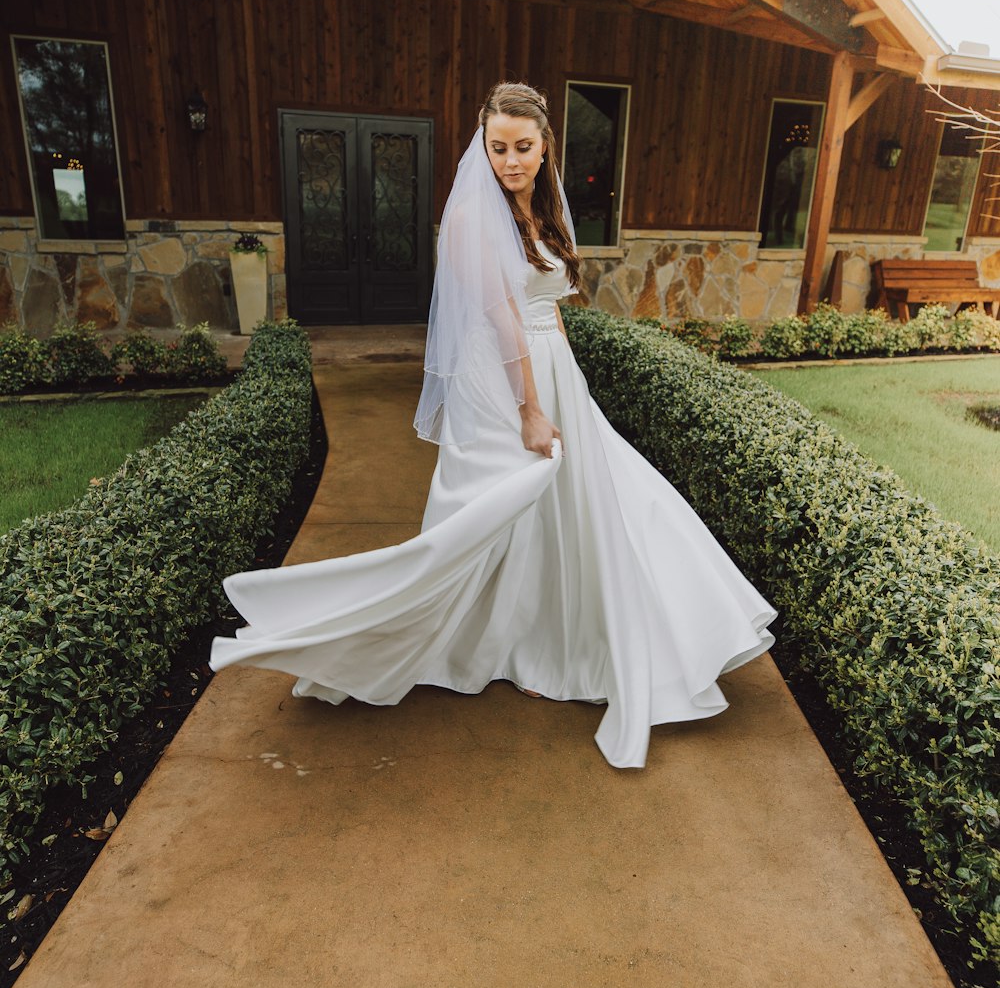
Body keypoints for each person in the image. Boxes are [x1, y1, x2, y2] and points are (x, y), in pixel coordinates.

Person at [209, 82, 777, 769]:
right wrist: (530, 410)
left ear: (545, 149)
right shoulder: (475, 218)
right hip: (503, 380)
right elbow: (502, 318)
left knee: (585, 504)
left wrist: (568, 387)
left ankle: (549, 642)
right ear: (483, 145)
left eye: (524, 147)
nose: (510, 160)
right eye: (498, 147)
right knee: (496, 512)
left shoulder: (540, 209)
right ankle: (466, 641)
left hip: (551, 369)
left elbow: (549, 306)